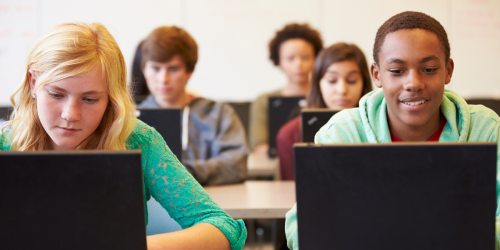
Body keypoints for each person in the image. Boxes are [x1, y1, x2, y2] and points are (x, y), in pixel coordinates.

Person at [0, 22, 246, 250]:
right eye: (56, 94)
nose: (70, 114)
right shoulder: (4, 143)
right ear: (33, 83)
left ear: (111, 98)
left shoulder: (138, 140)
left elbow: (223, 227)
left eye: (89, 99)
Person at [284, 11, 500, 249]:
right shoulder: (342, 134)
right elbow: (301, 228)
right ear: (377, 75)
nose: (413, 83)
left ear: (448, 70)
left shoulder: (486, 129)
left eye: (428, 69)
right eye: (397, 71)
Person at [138, 26, 248, 186]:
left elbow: (236, 165)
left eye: (173, 69)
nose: (163, 79)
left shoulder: (219, 114)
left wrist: (183, 172)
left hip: (210, 205)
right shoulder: (131, 118)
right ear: (144, 70)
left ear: (189, 71)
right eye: (155, 68)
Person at [276, 43, 372, 180]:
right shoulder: (289, 135)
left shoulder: (382, 126)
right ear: (318, 83)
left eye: (351, 81)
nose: (342, 90)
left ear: (364, 83)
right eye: (332, 80)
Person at [249, 23, 323, 153]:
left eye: (305, 57)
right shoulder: (264, 101)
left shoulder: (328, 96)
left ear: (316, 59)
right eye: (290, 58)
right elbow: (259, 146)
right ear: (279, 61)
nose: (298, 64)